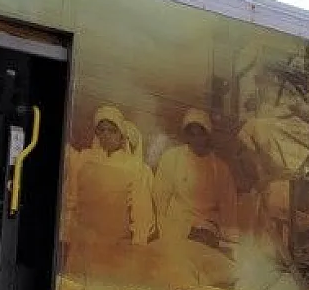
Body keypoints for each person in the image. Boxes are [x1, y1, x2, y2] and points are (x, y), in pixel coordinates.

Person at [60, 105, 156, 278]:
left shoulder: (135, 168)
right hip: (81, 245)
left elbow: (142, 214)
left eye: (112, 131)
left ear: (121, 135)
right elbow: (71, 199)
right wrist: (65, 236)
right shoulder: (84, 159)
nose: (106, 135)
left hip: (115, 248)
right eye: (101, 130)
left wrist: (138, 248)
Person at [153, 108, 240, 250]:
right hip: (175, 229)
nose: (196, 139)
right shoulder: (172, 158)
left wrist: (229, 243)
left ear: (208, 135)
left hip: (207, 233)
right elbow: (160, 200)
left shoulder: (220, 168)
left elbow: (229, 210)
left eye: (201, 134)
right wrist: (164, 233)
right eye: (192, 134)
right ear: (186, 135)